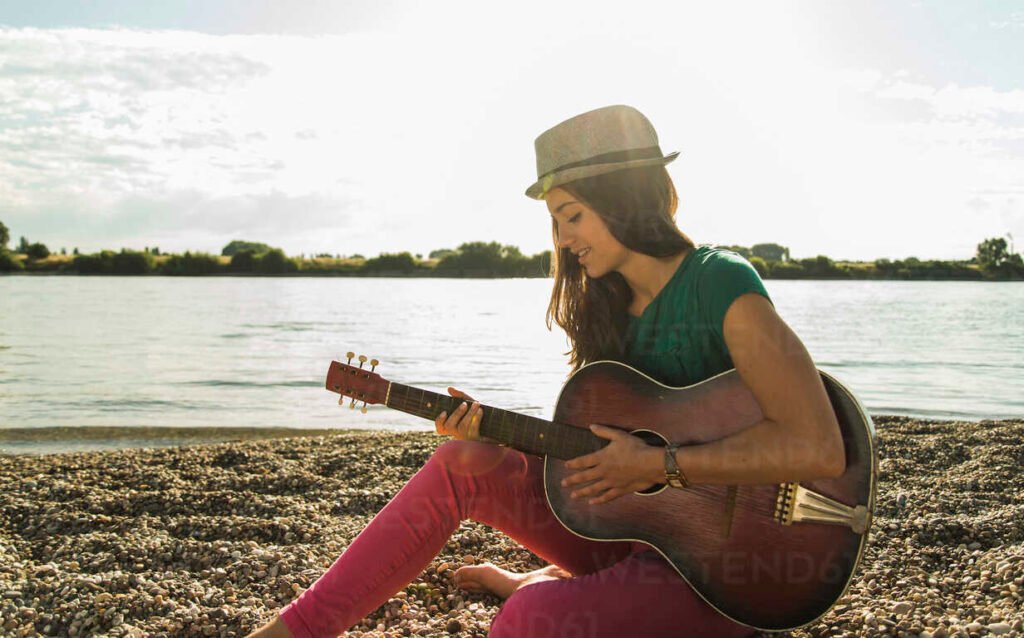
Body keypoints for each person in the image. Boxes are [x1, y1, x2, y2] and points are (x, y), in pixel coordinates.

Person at [245, 105, 846, 638]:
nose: (561, 240)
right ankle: (297, 630)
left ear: (621, 197)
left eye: (573, 216)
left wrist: (659, 463)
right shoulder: (605, 307)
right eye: (556, 222)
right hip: (635, 538)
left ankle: (546, 587)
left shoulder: (719, 284)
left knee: (529, 619)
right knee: (461, 463)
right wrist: (492, 434)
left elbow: (819, 446)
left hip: (729, 579)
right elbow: (605, 461)